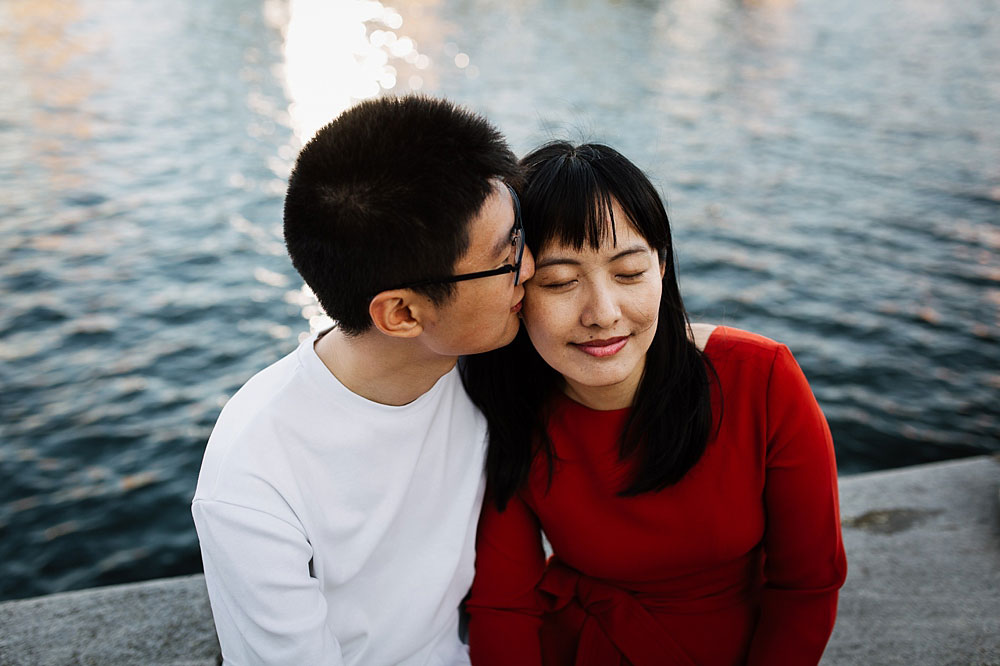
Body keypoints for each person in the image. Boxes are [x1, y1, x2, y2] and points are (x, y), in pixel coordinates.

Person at [460, 142, 847, 665]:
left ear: (662, 269)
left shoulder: (761, 378)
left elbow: (807, 585)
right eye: (559, 281)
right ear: (517, 292)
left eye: (628, 274)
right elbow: (502, 607)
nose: (602, 313)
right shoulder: (507, 403)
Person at [191, 95, 535, 666]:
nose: (531, 267)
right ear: (401, 314)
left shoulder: (481, 355)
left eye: (520, 231)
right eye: (507, 257)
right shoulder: (254, 474)